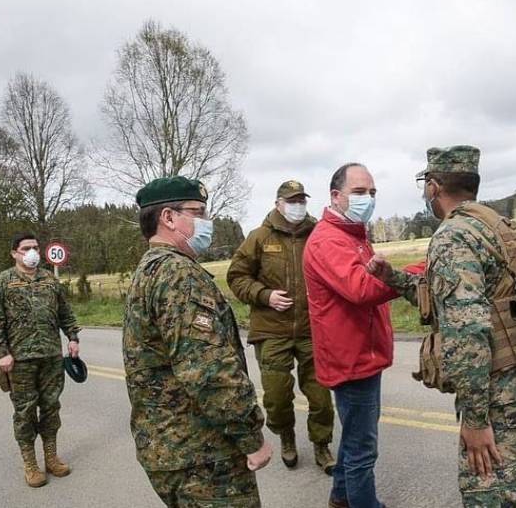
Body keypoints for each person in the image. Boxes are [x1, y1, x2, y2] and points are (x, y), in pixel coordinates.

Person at [369, 145, 516, 507]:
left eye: (425, 183)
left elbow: (467, 331)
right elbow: (457, 300)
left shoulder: (453, 236)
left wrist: (474, 419)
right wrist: (392, 277)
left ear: (434, 187)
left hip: (500, 401)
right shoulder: (499, 228)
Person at [123, 176, 272, 507]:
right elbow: (209, 373)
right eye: (199, 212)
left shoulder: (150, 269)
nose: (207, 222)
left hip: (169, 448)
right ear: (169, 218)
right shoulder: (179, 275)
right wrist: (250, 437)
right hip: (201, 457)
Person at [302, 163, 399, 508]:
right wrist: (412, 274)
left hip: (363, 354)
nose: (368, 199)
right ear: (335, 196)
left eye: (372, 192)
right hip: (351, 359)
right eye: (359, 192)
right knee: (362, 448)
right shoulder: (328, 240)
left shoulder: (353, 234)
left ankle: (341, 497)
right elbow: (361, 288)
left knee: (354, 436)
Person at [227, 180, 336, 474]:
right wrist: (265, 295)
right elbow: (236, 277)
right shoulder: (259, 238)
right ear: (278, 204)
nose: (297, 206)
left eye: (301, 200)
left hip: (313, 329)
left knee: (321, 397)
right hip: (271, 330)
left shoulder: (318, 233)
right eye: (291, 201)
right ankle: (286, 436)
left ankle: (321, 444)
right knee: (276, 397)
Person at [0, 233, 82, 488]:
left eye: (35, 247)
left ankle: (51, 457)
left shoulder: (49, 280)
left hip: (51, 356)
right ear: (14, 253)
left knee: (51, 407)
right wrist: (2, 352)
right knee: (25, 412)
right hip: (20, 360)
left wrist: (72, 337)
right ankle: (30, 464)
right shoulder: (2, 282)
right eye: (26, 248)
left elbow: (64, 312)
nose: (32, 252)